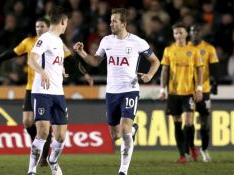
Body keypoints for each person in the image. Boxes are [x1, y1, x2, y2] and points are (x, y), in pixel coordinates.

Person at [0, 18, 93, 167]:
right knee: (27, 121)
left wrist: (85, 74)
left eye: (42, 26)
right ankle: (40, 143)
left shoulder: (56, 41)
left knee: (45, 125)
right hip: (32, 88)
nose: (39, 29)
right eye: (36, 26)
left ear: (48, 27)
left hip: (49, 89)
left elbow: (71, 59)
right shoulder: (29, 42)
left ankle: (44, 154)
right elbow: (12, 53)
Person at [74, 8, 160, 175]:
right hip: (112, 92)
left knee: (125, 128)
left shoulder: (137, 42)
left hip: (130, 89)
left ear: (124, 24)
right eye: (111, 20)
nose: (110, 23)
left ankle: (123, 170)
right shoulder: (106, 41)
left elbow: (155, 61)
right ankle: (133, 130)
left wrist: (149, 75)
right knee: (115, 135)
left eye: (114, 21)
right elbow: (95, 61)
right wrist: (82, 53)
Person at [27, 6, 69, 175]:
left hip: (58, 93)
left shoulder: (58, 41)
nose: (67, 26)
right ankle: (31, 170)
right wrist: (42, 71)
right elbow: (31, 59)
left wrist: (61, 71)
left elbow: (55, 62)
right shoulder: (45, 38)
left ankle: (53, 161)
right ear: (63, 22)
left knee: (60, 136)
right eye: (67, 24)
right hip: (42, 91)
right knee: (43, 131)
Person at [159, 23, 203, 164]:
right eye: (175, 33)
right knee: (177, 124)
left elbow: (199, 70)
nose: (178, 35)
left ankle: (191, 147)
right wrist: (162, 90)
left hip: (188, 92)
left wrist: (200, 88)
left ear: (186, 34)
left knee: (189, 123)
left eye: (180, 33)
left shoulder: (194, 51)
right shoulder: (169, 50)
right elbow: (164, 71)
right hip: (173, 93)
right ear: (173, 35)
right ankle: (183, 155)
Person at [189, 24, 219, 162]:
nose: (195, 33)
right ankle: (191, 150)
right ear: (189, 33)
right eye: (192, 31)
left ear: (201, 33)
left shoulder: (209, 48)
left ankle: (204, 149)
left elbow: (214, 68)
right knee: (188, 123)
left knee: (205, 123)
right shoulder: (184, 47)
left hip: (204, 89)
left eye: (197, 31)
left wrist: (214, 83)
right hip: (187, 91)